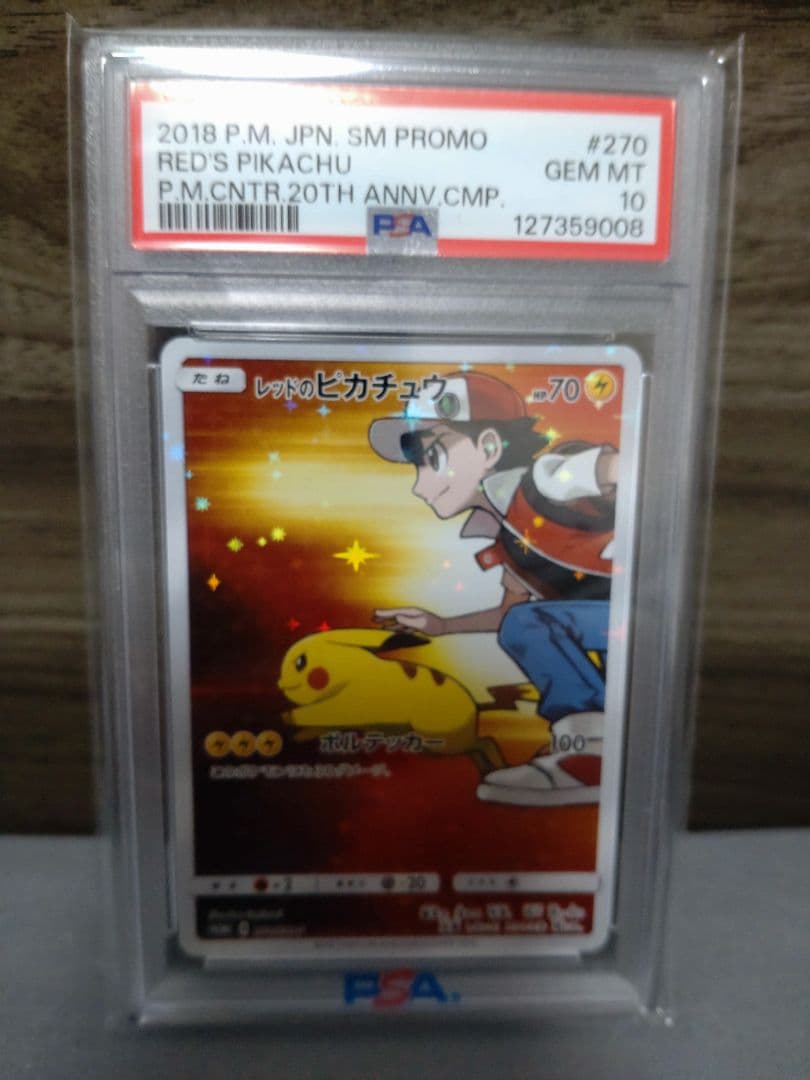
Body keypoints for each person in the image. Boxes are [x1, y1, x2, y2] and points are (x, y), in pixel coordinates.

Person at [368, 370, 618, 806]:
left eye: (432, 457)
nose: (419, 485)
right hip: (615, 626)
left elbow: (617, 469)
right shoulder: (511, 538)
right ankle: (590, 750)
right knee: (525, 624)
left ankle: (589, 751)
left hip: (640, 615)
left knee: (530, 625)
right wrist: (441, 626)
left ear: (488, 448)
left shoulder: (545, 480)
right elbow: (510, 617)